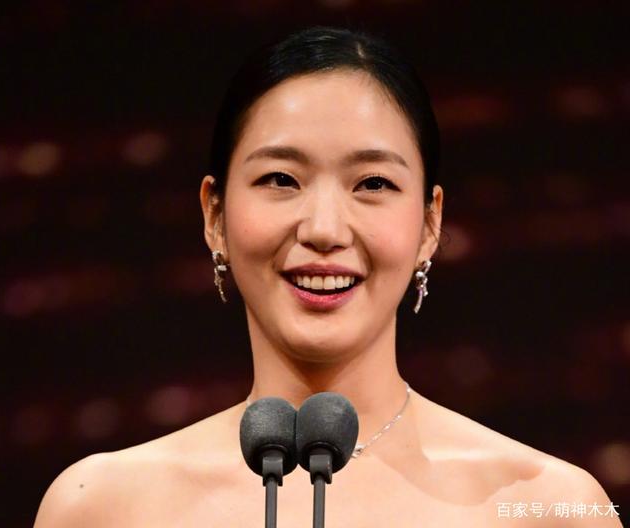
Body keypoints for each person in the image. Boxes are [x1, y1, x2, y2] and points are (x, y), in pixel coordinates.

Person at [34, 26, 621, 527]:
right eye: (280, 179)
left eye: (373, 184)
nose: (323, 229)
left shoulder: (552, 507)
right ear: (214, 216)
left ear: (429, 223)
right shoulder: (101, 507)